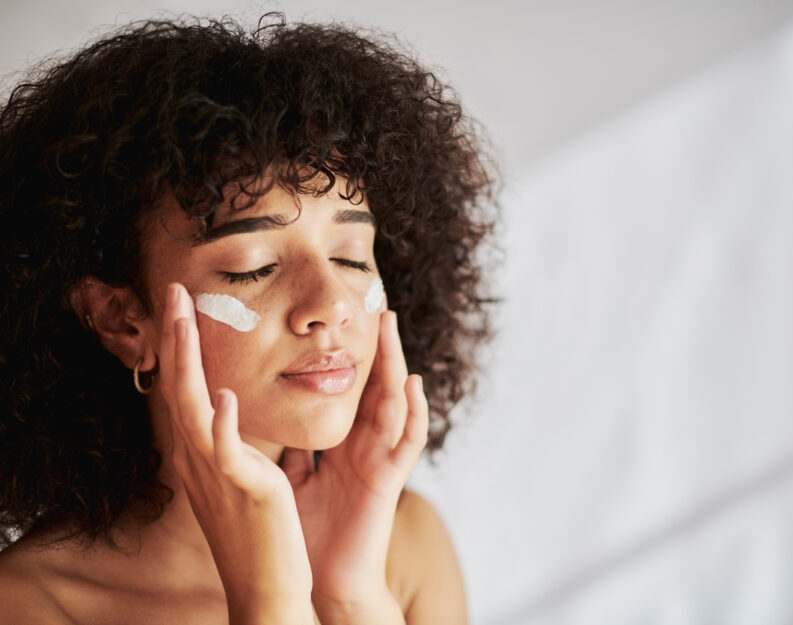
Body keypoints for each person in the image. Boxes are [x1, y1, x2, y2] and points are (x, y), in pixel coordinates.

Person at [0, 12, 496, 625]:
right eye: (253, 268)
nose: (332, 305)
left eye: (350, 256)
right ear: (123, 320)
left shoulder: (405, 547)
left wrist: (350, 594)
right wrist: (272, 603)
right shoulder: (29, 605)